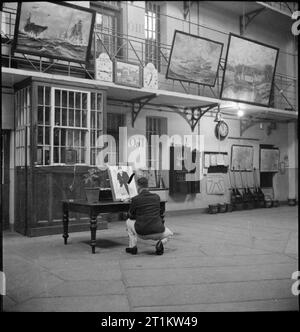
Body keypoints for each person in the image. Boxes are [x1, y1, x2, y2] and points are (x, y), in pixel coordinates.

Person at [126, 177, 173, 255]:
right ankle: (160, 243)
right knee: (170, 234)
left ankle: (133, 247)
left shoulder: (135, 199)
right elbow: (160, 213)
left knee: (128, 221)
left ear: (138, 186)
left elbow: (130, 215)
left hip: (142, 233)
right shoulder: (156, 197)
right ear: (148, 186)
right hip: (159, 231)